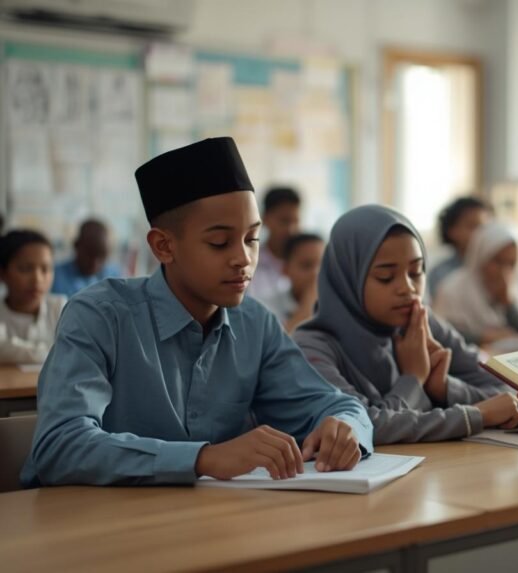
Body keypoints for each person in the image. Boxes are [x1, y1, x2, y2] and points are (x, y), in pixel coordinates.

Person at [21, 137, 373, 487]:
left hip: (203, 522)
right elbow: (59, 445)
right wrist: (203, 458)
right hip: (92, 526)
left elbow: (338, 406)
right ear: (164, 246)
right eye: (219, 242)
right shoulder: (99, 316)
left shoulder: (254, 323)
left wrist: (344, 428)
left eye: (252, 239)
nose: (243, 259)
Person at [294, 205, 518, 444]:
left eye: (416, 272)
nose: (408, 288)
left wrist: (445, 388)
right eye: (386, 277)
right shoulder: (312, 348)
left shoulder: (419, 323)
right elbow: (363, 425)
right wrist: (415, 380)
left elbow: (506, 392)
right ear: (348, 278)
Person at [434, 222, 518, 346]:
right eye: (498, 261)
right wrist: (482, 338)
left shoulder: (514, 287)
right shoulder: (453, 289)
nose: (504, 271)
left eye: (511, 264)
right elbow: (439, 335)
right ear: (481, 257)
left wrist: (508, 302)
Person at [0, 230, 66, 364]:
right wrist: (50, 352)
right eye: (25, 269)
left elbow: (76, 353)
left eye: (45, 269)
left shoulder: (60, 307)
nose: (37, 279)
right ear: (3, 273)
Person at [427, 196, 492, 300]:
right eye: (472, 226)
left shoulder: (495, 268)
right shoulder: (441, 273)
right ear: (452, 231)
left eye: (484, 228)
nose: (480, 234)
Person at [263, 233, 324, 333]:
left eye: (322, 265)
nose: (316, 274)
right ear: (285, 269)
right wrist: (307, 305)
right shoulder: (266, 308)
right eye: (306, 265)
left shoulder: (337, 305)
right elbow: (279, 347)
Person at [249, 186, 301, 301]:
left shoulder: (307, 264)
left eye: (296, 221)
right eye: (284, 221)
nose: (291, 229)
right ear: (265, 219)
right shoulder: (252, 264)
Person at [51, 219, 121, 297]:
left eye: (102, 256)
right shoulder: (54, 276)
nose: (95, 263)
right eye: (89, 255)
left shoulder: (114, 277)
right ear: (76, 245)